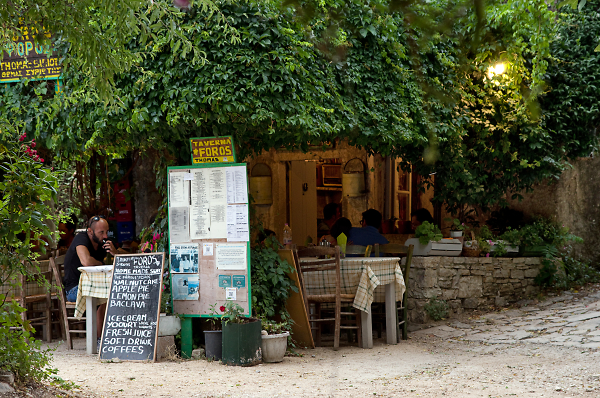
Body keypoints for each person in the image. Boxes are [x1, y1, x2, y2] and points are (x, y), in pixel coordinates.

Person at [63, 215, 116, 347]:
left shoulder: (102, 243)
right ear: (90, 231)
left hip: (94, 286)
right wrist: (100, 263)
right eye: (101, 232)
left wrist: (115, 252)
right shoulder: (81, 238)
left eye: (106, 232)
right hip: (74, 290)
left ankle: (112, 336)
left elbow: (126, 255)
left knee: (112, 292)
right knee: (103, 295)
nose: (105, 236)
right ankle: (99, 340)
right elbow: (86, 261)